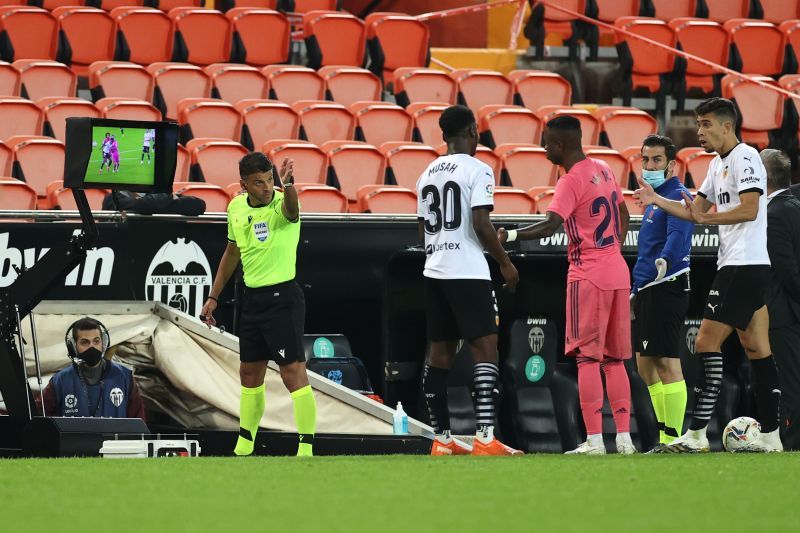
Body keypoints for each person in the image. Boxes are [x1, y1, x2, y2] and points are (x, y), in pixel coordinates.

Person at [635, 97, 782, 453]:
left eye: (705, 125)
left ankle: (698, 434)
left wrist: (706, 219)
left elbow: (748, 210)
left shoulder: (746, 158)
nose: (699, 132)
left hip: (743, 265)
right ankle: (772, 436)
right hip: (739, 264)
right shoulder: (717, 165)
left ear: (726, 126)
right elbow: (693, 211)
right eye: (699, 125)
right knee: (756, 347)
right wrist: (657, 200)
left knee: (704, 342)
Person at [499, 115, 635, 455]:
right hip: (617, 270)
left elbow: (550, 225)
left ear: (560, 145)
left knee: (588, 360)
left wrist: (510, 236)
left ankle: (592, 442)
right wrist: (611, 252)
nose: (544, 148)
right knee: (615, 360)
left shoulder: (570, 180)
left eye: (546, 142)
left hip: (588, 274)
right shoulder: (603, 167)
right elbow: (625, 215)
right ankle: (624, 438)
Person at [417, 104, 522, 456]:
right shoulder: (479, 169)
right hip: (467, 270)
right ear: (473, 131)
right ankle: (485, 438)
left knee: (440, 353)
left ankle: (442, 440)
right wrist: (505, 262)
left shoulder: (427, 172)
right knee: (485, 350)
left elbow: (422, 232)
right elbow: (480, 224)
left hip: (434, 270)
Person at [200, 152, 317, 457]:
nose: (266, 187)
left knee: (293, 372)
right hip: (250, 299)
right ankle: (244, 446)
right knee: (249, 374)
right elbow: (232, 252)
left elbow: (292, 211)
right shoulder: (236, 207)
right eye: (259, 182)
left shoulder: (283, 202)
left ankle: (306, 447)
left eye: (269, 180)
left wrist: (288, 185)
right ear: (244, 185)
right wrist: (213, 297)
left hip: (283, 299)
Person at [631, 135, 693, 449]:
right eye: (645, 159)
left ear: (670, 164)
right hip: (647, 290)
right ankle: (665, 436)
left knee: (668, 363)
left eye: (656, 160)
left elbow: (677, 238)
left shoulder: (677, 196)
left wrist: (663, 265)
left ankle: (672, 438)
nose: (650, 165)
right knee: (644, 365)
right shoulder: (655, 197)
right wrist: (635, 290)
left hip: (667, 287)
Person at [762, 148, 800, 451]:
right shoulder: (795, 204)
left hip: (785, 315)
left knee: (790, 386)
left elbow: (788, 273)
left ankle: (790, 445)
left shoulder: (772, 216)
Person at [40, 317, 145, 419]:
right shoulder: (59, 381)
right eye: (85, 342)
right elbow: (38, 417)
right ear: (73, 347)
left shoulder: (124, 377)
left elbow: (140, 426)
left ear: (103, 343)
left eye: (96, 341)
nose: (92, 347)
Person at [102, 190, 206, 215]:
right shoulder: (112, 198)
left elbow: (199, 205)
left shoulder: (157, 194)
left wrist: (160, 201)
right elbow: (143, 205)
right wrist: (170, 198)